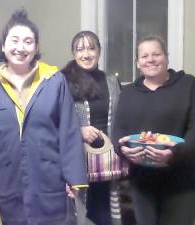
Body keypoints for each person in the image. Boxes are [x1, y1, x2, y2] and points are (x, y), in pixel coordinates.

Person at [0, 10, 88, 225]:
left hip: (50, 180)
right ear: (3, 45)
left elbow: (68, 131)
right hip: (6, 183)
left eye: (28, 41)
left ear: (36, 47)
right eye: (14, 40)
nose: (21, 47)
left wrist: (74, 178)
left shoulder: (55, 81)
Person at [113, 35, 195, 225]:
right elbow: (118, 130)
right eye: (145, 56)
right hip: (143, 183)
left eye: (156, 54)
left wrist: (175, 152)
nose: (150, 59)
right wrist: (122, 149)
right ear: (137, 62)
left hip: (183, 182)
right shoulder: (129, 92)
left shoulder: (188, 84)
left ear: (166, 57)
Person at [61, 30, 125, 225]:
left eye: (91, 48)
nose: (86, 54)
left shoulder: (112, 81)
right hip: (78, 161)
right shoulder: (63, 81)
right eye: (80, 49)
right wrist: (79, 130)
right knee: (80, 215)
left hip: (107, 163)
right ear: (73, 53)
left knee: (105, 213)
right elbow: (53, 120)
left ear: (99, 51)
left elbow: (121, 117)